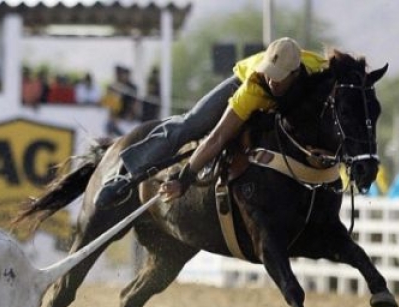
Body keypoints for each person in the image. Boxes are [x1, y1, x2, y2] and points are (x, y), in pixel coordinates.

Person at [95, 37, 328, 209]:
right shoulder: (255, 86)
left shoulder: (319, 69)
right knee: (192, 124)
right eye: (268, 72)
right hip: (239, 83)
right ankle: (127, 176)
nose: (271, 80)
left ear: (295, 73)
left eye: (277, 77)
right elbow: (217, 137)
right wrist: (185, 178)